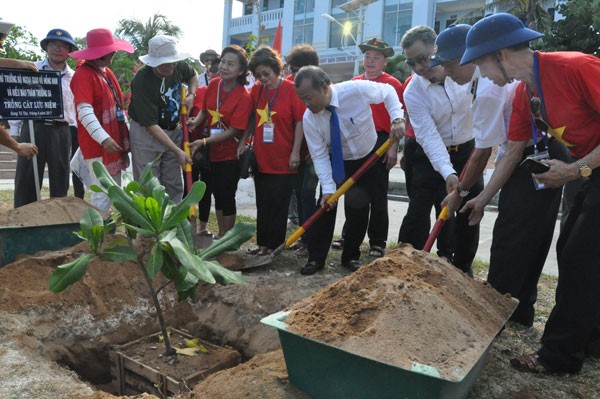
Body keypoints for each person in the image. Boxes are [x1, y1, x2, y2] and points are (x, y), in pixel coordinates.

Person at [459, 13, 600, 374]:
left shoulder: (574, 67)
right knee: (573, 252)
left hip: (588, 169)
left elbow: (580, 164)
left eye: (481, 63)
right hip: (590, 171)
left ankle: (559, 357)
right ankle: (588, 341)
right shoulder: (524, 92)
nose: (483, 74)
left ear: (501, 55)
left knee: (581, 258)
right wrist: (484, 196)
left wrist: (575, 169)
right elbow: (514, 148)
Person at [437, 24, 566, 327]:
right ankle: (520, 311)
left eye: (447, 64)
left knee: (512, 236)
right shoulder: (493, 82)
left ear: (469, 59)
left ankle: (494, 314)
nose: (446, 72)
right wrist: (478, 196)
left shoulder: (491, 89)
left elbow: (484, 152)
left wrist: (461, 193)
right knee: (533, 236)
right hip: (538, 150)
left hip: (535, 154)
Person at [293, 66, 405, 276]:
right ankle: (316, 258)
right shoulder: (310, 118)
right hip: (337, 160)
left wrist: (397, 118)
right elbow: (318, 155)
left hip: (366, 156)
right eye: (302, 99)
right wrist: (327, 189)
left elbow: (388, 92)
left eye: (309, 97)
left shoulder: (355, 90)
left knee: (359, 209)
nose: (306, 104)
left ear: (324, 87)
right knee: (325, 207)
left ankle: (350, 256)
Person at [397, 25, 483, 276]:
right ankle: (404, 266)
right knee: (418, 210)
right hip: (428, 155)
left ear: (437, 49)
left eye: (423, 58)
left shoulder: (470, 71)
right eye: (412, 63)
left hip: (468, 150)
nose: (419, 68)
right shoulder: (413, 90)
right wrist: (447, 172)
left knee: (468, 210)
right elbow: (428, 136)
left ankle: (462, 268)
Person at [340, 37, 402, 258]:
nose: (371, 61)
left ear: (385, 62)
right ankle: (348, 236)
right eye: (367, 56)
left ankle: (378, 241)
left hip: (382, 140)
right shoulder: (354, 81)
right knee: (353, 191)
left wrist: (393, 149)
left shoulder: (392, 84)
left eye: (376, 57)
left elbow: (399, 120)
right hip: (356, 141)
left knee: (377, 194)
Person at [244, 46, 304, 256]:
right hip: (262, 157)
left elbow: (299, 123)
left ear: (276, 69)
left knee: (279, 204)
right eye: (258, 75)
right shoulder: (256, 91)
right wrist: (244, 140)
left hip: (284, 157)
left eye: (266, 74)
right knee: (264, 202)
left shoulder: (290, 89)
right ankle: (263, 244)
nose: (263, 79)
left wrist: (295, 152)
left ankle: (275, 245)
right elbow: (252, 117)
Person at [9, 29, 78, 208]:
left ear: (70, 50)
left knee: (60, 178)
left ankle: (57, 222)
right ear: (46, 46)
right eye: (54, 44)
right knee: (26, 178)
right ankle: (24, 222)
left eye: (63, 46)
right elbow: (17, 100)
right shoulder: (31, 69)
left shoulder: (75, 77)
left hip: (61, 131)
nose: (58, 48)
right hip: (33, 128)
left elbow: (77, 108)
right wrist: (15, 132)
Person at [189, 45, 252, 237]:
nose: (224, 67)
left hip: (230, 153)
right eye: (223, 62)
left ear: (241, 70)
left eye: (230, 64)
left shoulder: (244, 96)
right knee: (216, 193)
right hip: (212, 152)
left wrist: (205, 141)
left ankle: (228, 236)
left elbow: (235, 130)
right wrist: (196, 121)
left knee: (226, 195)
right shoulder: (214, 85)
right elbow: (204, 111)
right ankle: (221, 234)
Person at [69, 28, 134, 212]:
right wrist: (103, 138)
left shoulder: (105, 72)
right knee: (102, 193)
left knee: (114, 190)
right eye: (111, 51)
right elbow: (84, 111)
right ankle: (96, 235)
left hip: (111, 141)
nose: (114, 53)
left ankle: (105, 230)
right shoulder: (84, 75)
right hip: (98, 145)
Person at [129, 35, 196, 203]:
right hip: (147, 133)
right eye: (166, 64)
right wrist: (177, 151)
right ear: (154, 63)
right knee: (149, 182)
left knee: (173, 182)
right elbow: (151, 125)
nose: (171, 67)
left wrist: (192, 94)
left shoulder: (177, 66)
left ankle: (173, 223)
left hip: (172, 129)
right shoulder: (142, 81)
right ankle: (150, 227)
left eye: (173, 62)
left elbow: (193, 75)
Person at [284, 44, 320, 257]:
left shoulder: (323, 85)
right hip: (293, 152)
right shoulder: (288, 85)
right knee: (297, 194)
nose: (292, 74)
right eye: (291, 69)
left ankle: (310, 240)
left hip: (315, 153)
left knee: (308, 194)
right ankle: (301, 236)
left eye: (296, 70)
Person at [188, 58, 220, 236]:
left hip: (212, 147)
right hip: (192, 146)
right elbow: (187, 116)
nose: (217, 71)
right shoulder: (198, 93)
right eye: (214, 68)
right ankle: (188, 224)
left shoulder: (228, 95)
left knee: (206, 189)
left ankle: (203, 227)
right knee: (189, 186)